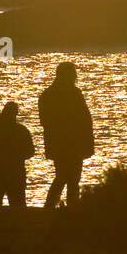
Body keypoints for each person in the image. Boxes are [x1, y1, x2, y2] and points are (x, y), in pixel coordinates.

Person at [38, 62, 94, 209]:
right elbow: (85, 119)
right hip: (68, 145)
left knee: (68, 177)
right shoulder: (72, 94)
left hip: (64, 145)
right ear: (64, 75)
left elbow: (85, 119)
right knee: (67, 176)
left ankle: (60, 207)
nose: (75, 76)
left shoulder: (48, 95)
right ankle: (60, 207)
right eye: (72, 73)